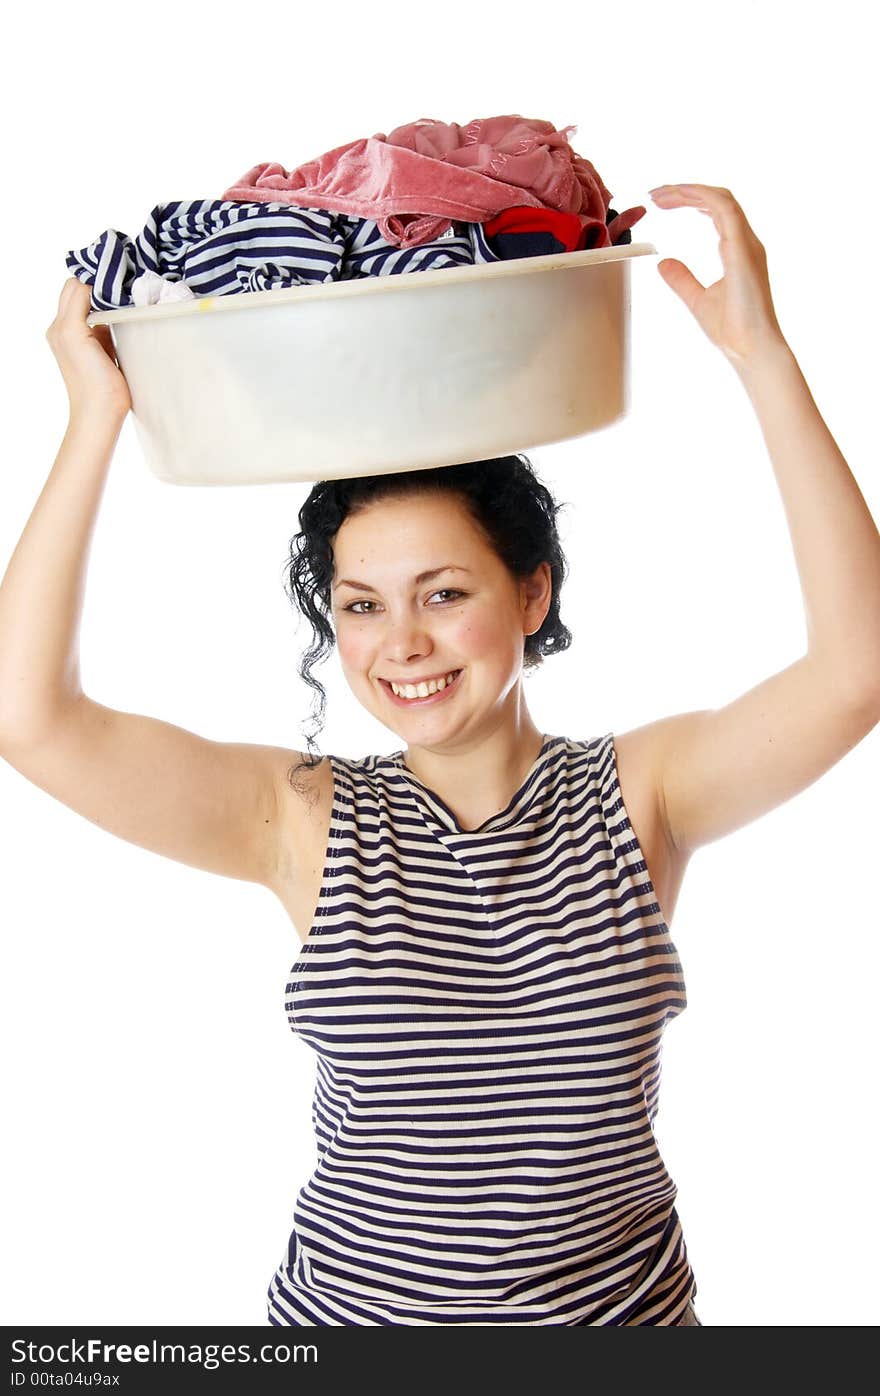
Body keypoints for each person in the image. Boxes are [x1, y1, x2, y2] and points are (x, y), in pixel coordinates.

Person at [1, 183, 878, 1326]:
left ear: (531, 590)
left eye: (443, 593)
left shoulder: (641, 793)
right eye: (360, 606)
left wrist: (762, 357)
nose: (398, 645)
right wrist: (93, 418)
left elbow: (858, 670)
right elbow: (30, 718)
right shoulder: (301, 817)